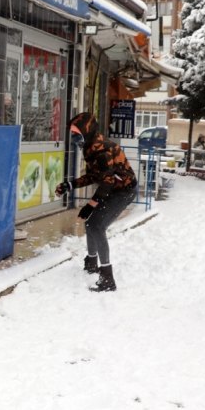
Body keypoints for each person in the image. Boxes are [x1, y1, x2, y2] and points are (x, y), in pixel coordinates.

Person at [55, 113, 137, 292]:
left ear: (87, 131)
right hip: (113, 188)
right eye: (73, 134)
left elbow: (107, 181)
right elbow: (95, 176)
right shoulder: (90, 147)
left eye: (77, 134)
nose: (75, 138)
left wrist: (90, 205)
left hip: (124, 191)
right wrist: (70, 185)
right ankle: (92, 262)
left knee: (97, 226)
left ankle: (107, 277)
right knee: (91, 224)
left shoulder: (101, 150)